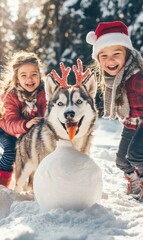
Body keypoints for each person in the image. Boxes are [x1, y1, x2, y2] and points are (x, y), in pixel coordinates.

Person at [86, 21, 143, 201]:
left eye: (116, 54)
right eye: (104, 55)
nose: (110, 60)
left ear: (127, 53)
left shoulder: (137, 77)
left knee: (135, 156)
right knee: (121, 160)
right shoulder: (115, 78)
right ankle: (135, 182)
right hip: (131, 123)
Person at [0, 51, 46, 188]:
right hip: (6, 129)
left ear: (39, 75)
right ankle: (2, 185)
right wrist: (26, 124)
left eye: (34, 74)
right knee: (11, 151)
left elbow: (47, 112)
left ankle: (38, 181)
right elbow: (9, 122)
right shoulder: (11, 94)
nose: (29, 79)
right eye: (24, 75)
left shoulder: (44, 93)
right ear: (16, 79)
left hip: (30, 131)